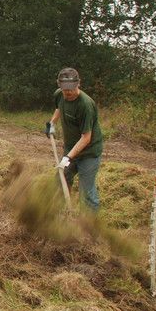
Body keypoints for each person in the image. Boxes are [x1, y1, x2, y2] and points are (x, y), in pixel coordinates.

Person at [45, 67, 104, 212]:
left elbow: (86, 138)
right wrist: (52, 123)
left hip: (88, 153)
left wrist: (67, 158)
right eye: (65, 89)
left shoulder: (85, 105)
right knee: (61, 180)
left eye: (71, 89)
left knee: (87, 192)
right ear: (60, 86)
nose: (68, 93)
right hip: (70, 149)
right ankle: (62, 215)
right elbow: (59, 108)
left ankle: (91, 227)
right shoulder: (59, 95)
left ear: (78, 84)